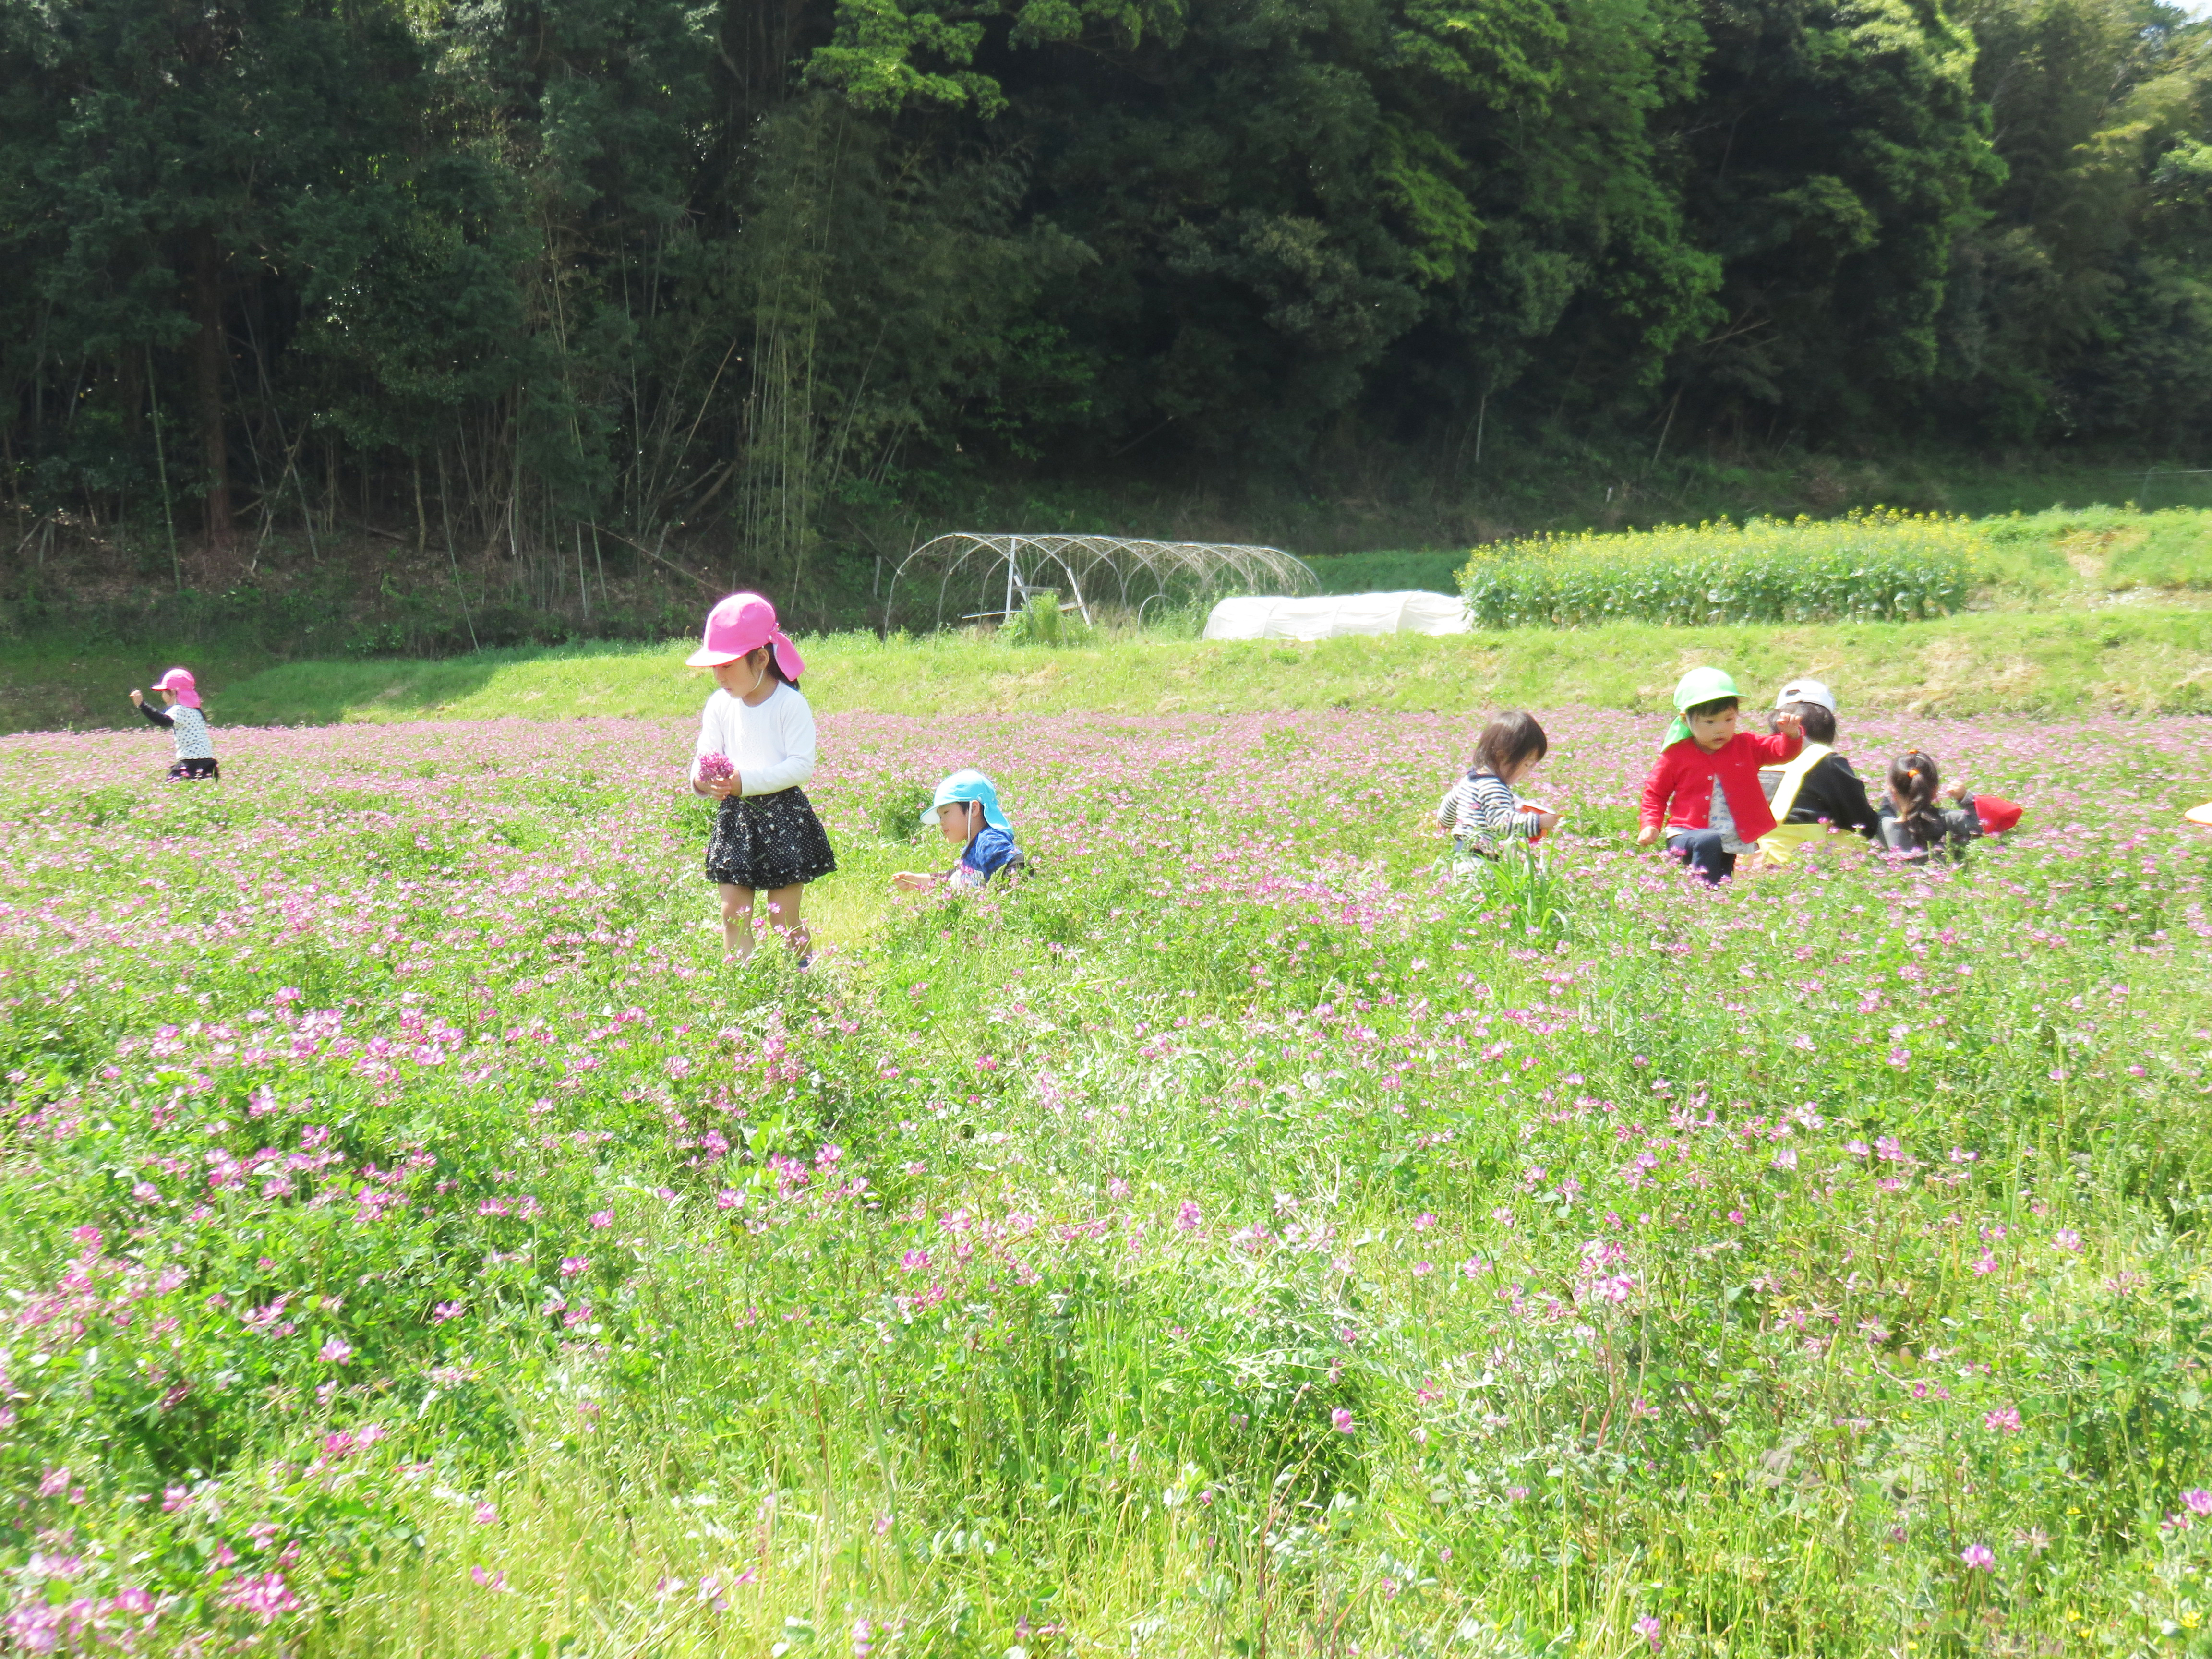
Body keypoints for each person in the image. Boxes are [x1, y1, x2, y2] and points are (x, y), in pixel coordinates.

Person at [686, 593, 836, 962]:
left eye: (728, 665)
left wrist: (745, 782)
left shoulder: (790, 703)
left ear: (762, 659)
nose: (719, 676)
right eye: (715, 667)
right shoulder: (719, 705)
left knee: (781, 917)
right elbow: (705, 755)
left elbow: (801, 766)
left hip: (783, 817)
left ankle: (805, 975)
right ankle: (743, 983)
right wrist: (702, 782)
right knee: (733, 914)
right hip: (736, 819)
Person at [1636, 667, 1801, 885]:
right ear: (1686, 721)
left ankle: (1703, 900)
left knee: (1722, 881)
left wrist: (1791, 735)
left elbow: (1780, 751)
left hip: (1728, 838)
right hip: (1686, 834)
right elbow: (1655, 794)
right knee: (1708, 846)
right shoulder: (1675, 756)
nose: (1720, 729)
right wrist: (1651, 824)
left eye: (1728, 720)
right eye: (1710, 722)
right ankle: (1700, 896)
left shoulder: (1746, 746)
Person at [1755, 677, 1880, 865]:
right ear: (1827, 724)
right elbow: (1862, 823)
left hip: (1748, 867)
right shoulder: (1826, 760)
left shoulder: (1760, 758)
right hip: (1800, 868)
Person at [1434, 710, 1559, 880]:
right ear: (1502, 756)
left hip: (1462, 856)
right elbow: (1502, 822)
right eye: (1527, 764)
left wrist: (1444, 820)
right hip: (1481, 863)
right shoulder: (1494, 787)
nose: (1528, 772)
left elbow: (1450, 803)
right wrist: (1539, 822)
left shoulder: (1470, 779)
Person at [893, 770, 1025, 893]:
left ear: (974, 809)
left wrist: (1004, 895)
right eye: (940, 816)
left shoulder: (988, 841)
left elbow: (1017, 860)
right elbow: (956, 876)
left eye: (946, 812)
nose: (942, 822)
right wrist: (917, 880)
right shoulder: (976, 845)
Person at [1878, 750, 1981, 865]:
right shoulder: (1946, 819)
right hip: (1947, 876)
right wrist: (1965, 798)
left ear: (1893, 794)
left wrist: (1888, 796)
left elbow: (1884, 813)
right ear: (1935, 791)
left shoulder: (1886, 828)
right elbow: (1982, 825)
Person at [129, 668, 218, 780]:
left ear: (173, 692)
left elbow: (163, 721)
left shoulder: (180, 710)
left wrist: (142, 705)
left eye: (164, 692)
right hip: (207, 761)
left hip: (191, 761)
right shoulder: (196, 711)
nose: (163, 696)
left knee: (174, 786)